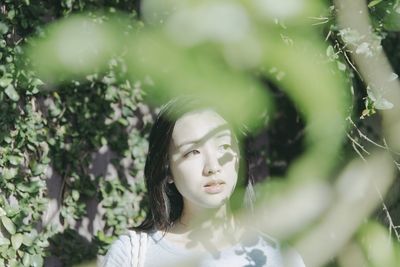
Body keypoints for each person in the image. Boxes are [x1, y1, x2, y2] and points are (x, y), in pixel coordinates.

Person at [101, 97, 305, 267]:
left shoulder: (279, 257)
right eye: (193, 152)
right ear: (167, 169)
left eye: (224, 147)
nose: (213, 166)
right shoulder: (133, 254)